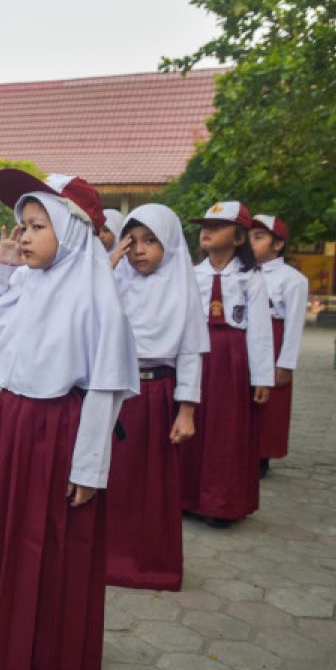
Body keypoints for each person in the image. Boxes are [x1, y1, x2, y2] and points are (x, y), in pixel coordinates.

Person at [0, 168, 138, 670]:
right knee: (2, 531)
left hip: (61, 430)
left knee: (48, 542)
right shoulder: (23, 283)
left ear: (72, 231)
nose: (24, 236)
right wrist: (0, 266)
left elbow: (105, 387)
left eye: (37, 226)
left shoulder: (97, 299)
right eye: (23, 225)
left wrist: (89, 468)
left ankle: (40, 658)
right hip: (13, 422)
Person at [105, 204, 208, 590]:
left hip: (157, 393)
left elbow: (191, 352)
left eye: (151, 241)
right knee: (111, 478)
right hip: (116, 391)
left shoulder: (182, 287)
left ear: (170, 243)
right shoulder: (115, 280)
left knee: (151, 484)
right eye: (133, 242)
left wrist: (186, 411)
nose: (140, 251)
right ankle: (106, 557)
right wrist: (111, 262)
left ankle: (150, 564)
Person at [181, 201, 274, 527]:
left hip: (232, 359)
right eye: (205, 225)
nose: (207, 231)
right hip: (197, 353)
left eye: (217, 226)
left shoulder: (250, 277)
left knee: (225, 431)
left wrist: (262, 376)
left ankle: (219, 503)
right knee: (192, 423)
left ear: (238, 237)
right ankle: (187, 496)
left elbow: (261, 329)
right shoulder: (192, 274)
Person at [249, 214, 307, 474]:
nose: (251, 243)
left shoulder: (292, 279)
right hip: (249, 338)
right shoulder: (245, 272)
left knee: (269, 404)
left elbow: (294, 325)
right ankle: (244, 448)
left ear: (278, 244)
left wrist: (285, 363)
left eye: (259, 237)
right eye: (248, 237)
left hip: (275, 336)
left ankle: (262, 455)